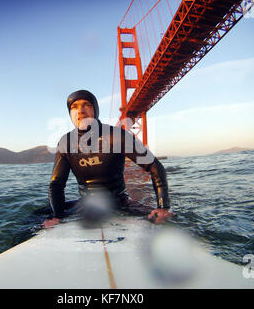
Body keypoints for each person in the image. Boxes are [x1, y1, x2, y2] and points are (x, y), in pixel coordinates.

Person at [43, 90, 174, 229]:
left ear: (96, 109)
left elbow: (154, 166)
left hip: (119, 203)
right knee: (34, 219)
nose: (80, 111)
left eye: (86, 105)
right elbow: (56, 184)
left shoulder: (116, 136)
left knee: (166, 222)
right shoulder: (66, 143)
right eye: (74, 107)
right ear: (70, 113)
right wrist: (57, 216)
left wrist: (163, 207)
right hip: (85, 204)